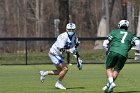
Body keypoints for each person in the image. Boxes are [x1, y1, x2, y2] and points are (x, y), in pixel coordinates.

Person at [39, 22, 82, 89]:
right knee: (65, 69)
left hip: (58, 55)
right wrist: (70, 50)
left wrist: (78, 59)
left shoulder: (74, 37)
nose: (71, 31)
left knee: (60, 71)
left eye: (72, 30)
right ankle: (58, 83)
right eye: (69, 29)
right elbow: (61, 50)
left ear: (75, 29)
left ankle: (44, 73)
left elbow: (74, 50)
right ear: (66, 29)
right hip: (54, 53)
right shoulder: (63, 36)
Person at [102, 20, 140, 93]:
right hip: (124, 54)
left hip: (113, 51)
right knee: (117, 70)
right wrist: (137, 54)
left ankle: (111, 83)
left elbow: (105, 43)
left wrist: (107, 51)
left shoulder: (114, 32)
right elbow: (138, 43)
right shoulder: (131, 34)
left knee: (109, 68)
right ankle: (108, 86)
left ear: (119, 25)